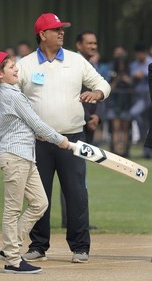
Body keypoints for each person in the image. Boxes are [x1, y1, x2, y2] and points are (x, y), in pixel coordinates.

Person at [16, 13, 110, 263]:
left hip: (73, 139)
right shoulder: (25, 64)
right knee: (39, 195)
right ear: (42, 35)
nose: (62, 33)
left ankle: (80, 247)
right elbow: (13, 96)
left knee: (77, 194)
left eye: (62, 29)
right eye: (56, 29)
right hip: (38, 141)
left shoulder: (76, 60)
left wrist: (98, 93)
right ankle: (38, 246)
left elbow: (102, 83)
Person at [0, 52, 70, 274]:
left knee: (40, 203)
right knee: (12, 209)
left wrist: (35, 133)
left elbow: (21, 125)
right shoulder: (12, 95)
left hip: (24, 156)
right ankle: (13, 260)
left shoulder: (10, 94)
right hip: (15, 157)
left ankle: (10, 246)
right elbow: (36, 123)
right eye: (11, 67)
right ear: (0, 74)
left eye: (15, 66)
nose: (16, 70)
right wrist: (60, 140)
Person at [60, 31, 102, 230]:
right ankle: (71, 220)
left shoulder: (93, 65)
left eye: (95, 43)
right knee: (71, 175)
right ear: (79, 44)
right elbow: (70, 95)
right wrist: (87, 118)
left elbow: (101, 92)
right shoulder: (70, 64)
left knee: (79, 175)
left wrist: (97, 117)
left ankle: (76, 219)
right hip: (74, 127)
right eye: (89, 43)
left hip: (89, 126)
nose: (93, 46)